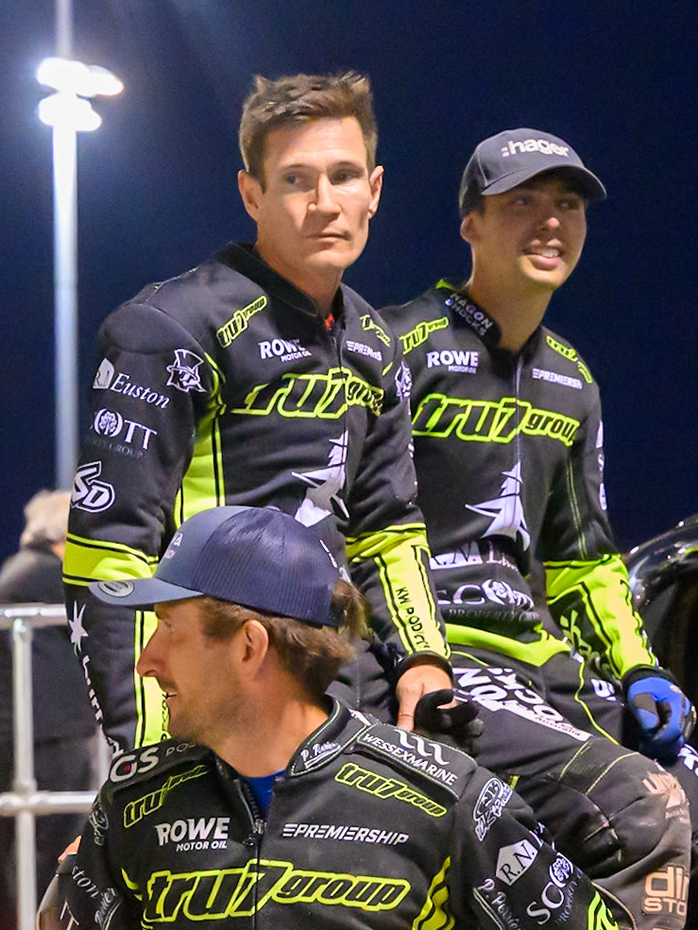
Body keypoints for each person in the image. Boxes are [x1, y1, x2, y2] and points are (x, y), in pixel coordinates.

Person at [18, 504, 645, 930]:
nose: (147, 661)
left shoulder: (444, 798)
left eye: (169, 629)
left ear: (249, 646)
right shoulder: (134, 806)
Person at [380, 130, 698, 930]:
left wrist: (640, 666)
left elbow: (584, 557)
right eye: (522, 203)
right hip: (437, 664)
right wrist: (407, 658)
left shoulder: (573, 380)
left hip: (543, 669)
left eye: (569, 205)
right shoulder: (398, 345)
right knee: (643, 808)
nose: (550, 222)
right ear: (470, 223)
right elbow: (363, 525)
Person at [64, 72, 451, 754]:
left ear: (374, 190)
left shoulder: (376, 345)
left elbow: (388, 530)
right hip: (223, 702)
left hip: (344, 691)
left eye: (344, 176)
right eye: (297, 180)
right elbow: (110, 550)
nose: (324, 203)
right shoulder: (167, 328)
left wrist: (423, 659)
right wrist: (150, 752)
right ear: (252, 194)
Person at [0, 490, 102, 930]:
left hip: (6, 735)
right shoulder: (53, 577)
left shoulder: (13, 574)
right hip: (52, 734)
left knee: (8, 848)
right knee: (56, 849)